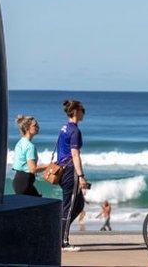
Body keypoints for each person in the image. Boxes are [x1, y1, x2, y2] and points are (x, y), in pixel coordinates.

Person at [57, 99, 90, 251]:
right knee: (69, 207)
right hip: (70, 171)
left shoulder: (64, 128)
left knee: (79, 204)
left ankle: (60, 232)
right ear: (76, 111)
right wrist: (81, 176)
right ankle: (63, 242)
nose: (84, 112)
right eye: (82, 109)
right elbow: (75, 154)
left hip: (63, 169)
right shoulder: (75, 131)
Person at [11, 115, 45, 196]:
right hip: (24, 182)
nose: (38, 127)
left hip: (18, 180)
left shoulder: (20, 142)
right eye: (35, 125)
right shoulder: (30, 146)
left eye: (37, 125)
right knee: (36, 206)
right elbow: (33, 169)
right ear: (27, 128)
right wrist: (49, 166)